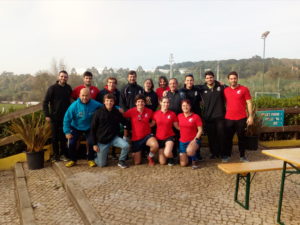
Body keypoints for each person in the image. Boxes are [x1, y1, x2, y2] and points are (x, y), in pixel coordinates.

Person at [63, 88, 102, 167]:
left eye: (87, 96)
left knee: (91, 142)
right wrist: (67, 132)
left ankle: (90, 159)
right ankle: (73, 160)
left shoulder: (95, 104)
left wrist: (118, 108)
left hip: (89, 127)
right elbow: (66, 119)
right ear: (79, 95)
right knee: (72, 142)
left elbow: (106, 107)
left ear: (90, 96)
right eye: (83, 95)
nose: (85, 97)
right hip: (75, 126)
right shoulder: (74, 106)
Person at [91, 94, 129, 168]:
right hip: (102, 140)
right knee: (101, 164)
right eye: (107, 101)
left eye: (111, 101)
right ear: (104, 102)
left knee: (126, 145)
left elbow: (124, 122)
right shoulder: (98, 113)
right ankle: (96, 157)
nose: (109, 103)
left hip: (114, 138)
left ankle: (121, 161)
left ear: (114, 102)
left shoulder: (116, 112)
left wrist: (125, 129)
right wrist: (94, 144)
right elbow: (93, 128)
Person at [223, 71, 253, 162]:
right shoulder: (225, 90)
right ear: (228, 80)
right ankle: (227, 155)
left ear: (237, 79)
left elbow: (249, 102)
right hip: (229, 118)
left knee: (241, 138)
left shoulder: (244, 89)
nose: (233, 80)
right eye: (231, 79)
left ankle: (242, 156)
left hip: (241, 118)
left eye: (234, 78)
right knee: (228, 139)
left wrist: (250, 116)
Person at [42, 70, 72, 162]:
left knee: (63, 137)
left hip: (65, 117)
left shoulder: (68, 88)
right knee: (54, 137)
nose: (63, 78)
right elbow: (45, 102)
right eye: (62, 76)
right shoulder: (52, 88)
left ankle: (63, 155)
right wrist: (47, 114)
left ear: (67, 78)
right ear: (58, 77)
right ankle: (55, 155)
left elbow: (71, 101)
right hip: (54, 117)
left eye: (65, 77)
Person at [123, 94, 159, 166]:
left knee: (155, 145)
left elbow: (155, 119)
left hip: (147, 136)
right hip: (136, 138)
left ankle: (150, 157)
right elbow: (123, 116)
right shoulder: (131, 111)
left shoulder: (149, 111)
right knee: (137, 162)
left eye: (142, 101)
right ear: (135, 103)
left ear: (145, 103)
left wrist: (152, 124)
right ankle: (136, 153)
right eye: (138, 101)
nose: (140, 103)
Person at [199, 71, 226, 159]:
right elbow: (189, 88)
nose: (209, 79)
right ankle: (213, 153)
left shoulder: (221, 87)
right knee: (211, 137)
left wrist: (220, 83)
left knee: (221, 135)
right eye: (207, 78)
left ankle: (222, 153)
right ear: (205, 79)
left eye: (211, 77)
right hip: (208, 117)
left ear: (214, 77)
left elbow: (231, 90)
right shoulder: (202, 88)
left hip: (220, 116)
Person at [96, 77, 121, 160]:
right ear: (107, 83)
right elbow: (99, 104)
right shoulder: (102, 93)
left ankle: (114, 153)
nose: (111, 84)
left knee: (115, 132)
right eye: (110, 82)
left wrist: (118, 108)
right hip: (104, 115)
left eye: (113, 82)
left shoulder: (118, 93)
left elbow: (119, 104)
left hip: (115, 115)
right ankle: (104, 154)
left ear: (115, 84)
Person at [151, 97, 179, 165]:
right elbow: (152, 124)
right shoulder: (155, 113)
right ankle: (165, 153)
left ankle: (171, 158)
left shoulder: (172, 114)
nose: (166, 104)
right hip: (159, 138)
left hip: (169, 137)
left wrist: (188, 129)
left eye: (167, 102)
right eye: (164, 102)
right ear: (160, 103)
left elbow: (177, 126)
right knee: (162, 162)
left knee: (167, 153)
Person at [177, 100, 203, 169]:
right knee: (183, 164)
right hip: (182, 141)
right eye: (183, 105)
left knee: (190, 151)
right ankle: (188, 156)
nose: (185, 107)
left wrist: (195, 139)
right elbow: (178, 126)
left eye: (187, 105)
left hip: (193, 140)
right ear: (181, 107)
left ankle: (195, 160)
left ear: (190, 106)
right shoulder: (179, 116)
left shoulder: (196, 116)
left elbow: (200, 130)